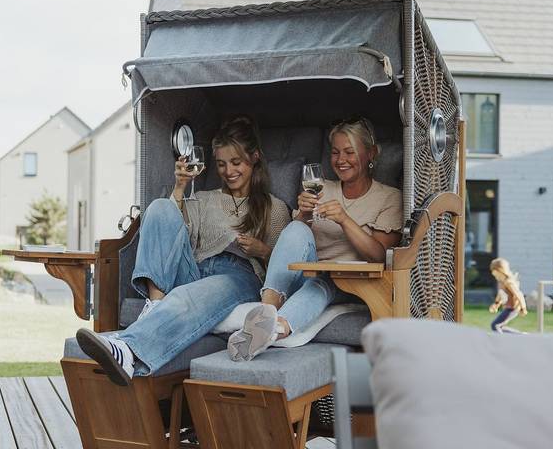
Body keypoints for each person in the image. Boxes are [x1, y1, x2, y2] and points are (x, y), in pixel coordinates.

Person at [76, 116, 291, 385]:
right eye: (222, 164)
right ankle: (155, 305)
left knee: (189, 296)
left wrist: (262, 250)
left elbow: (284, 273)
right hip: (196, 268)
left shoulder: (275, 208)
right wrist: (179, 187)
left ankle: (130, 351)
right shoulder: (203, 199)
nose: (228, 171)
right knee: (159, 207)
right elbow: (169, 232)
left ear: (254, 158)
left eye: (236, 163)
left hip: (239, 276)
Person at [228, 117, 403, 361]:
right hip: (306, 273)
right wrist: (305, 215)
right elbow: (295, 241)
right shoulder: (322, 188)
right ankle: (266, 312)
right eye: (335, 152)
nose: (341, 160)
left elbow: (379, 256)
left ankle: (274, 330)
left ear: (371, 153)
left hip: (351, 283)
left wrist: (344, 219)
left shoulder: (389, 198)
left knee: (321, 284)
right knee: (296, 229)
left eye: (349, 152)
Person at [489, 257, 527, 334]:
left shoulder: (509, 282)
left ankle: (500, 341)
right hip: (508, 308)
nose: (493, 274)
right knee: (499, 326)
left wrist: (523, 308)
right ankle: (521, 335)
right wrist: (496, 304)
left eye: (494, 272)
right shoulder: (502, 282)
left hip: (513, 309)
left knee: (495, 325)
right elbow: (501, 294)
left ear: (501, 271)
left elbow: (519, 294)